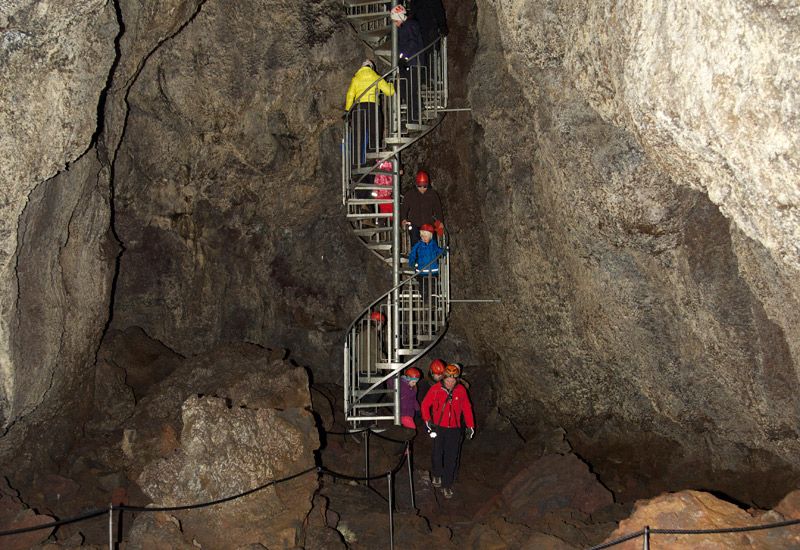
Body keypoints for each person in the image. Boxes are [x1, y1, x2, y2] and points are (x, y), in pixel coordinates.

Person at [421, 363, 474, 499]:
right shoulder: (436, 389)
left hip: (455, 429)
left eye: (452, 380)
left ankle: (447, 485)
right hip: (439, 427)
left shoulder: (461, 390)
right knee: (437, 452)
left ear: (457, 379)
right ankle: (437, 473)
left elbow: (467, 408)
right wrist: (428, 421)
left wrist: (470, 426)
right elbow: (425, 405)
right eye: (447, 380)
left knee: (452, 457)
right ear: (443, 378)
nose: (450, 383)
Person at [345, 59, 395, 164]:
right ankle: (373, 161)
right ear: (371, 67)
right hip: (373, 108)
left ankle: (356, 163)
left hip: (358, 109)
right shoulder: (376, 77)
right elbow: (389, 92)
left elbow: (350, 95)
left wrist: (347, 111)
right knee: (375, 134)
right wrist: (391, 83)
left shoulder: (356, 78)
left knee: (357, 137)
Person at [391, 4, 424, 125]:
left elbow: (412, 44)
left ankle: (414, 117)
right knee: (402, 87)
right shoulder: (405, 27)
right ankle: (416, 111)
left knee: (410, 90)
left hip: (413, 63)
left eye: (395, 20)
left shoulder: (410, 26)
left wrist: (403, 57)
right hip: (408, 63)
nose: (395, 23)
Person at [400, 169, 443, 246]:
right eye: (420, 186)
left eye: (425, 186)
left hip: (428, 223)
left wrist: (440, 222)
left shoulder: (432, 195)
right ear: (416, 184)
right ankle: (417, 257)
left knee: (432, 243)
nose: (422, 188)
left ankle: (433, 257)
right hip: (414, 224)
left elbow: (438, 209)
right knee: (416, 242)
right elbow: (404, 208)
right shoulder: (410, 194)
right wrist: (403, 218)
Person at [407, 223, 444, 303]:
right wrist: (412, 262)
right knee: (423, 287)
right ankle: (426, 301)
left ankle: (433, 302)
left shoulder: (433, 245)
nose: (423, 238)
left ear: (430, 236)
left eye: (425, 236)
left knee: (433, 287)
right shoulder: (418, 245)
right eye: (422, 236)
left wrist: (444, 252)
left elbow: (439, 251)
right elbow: (412, 254)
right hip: (422, 272)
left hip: (433, 271)